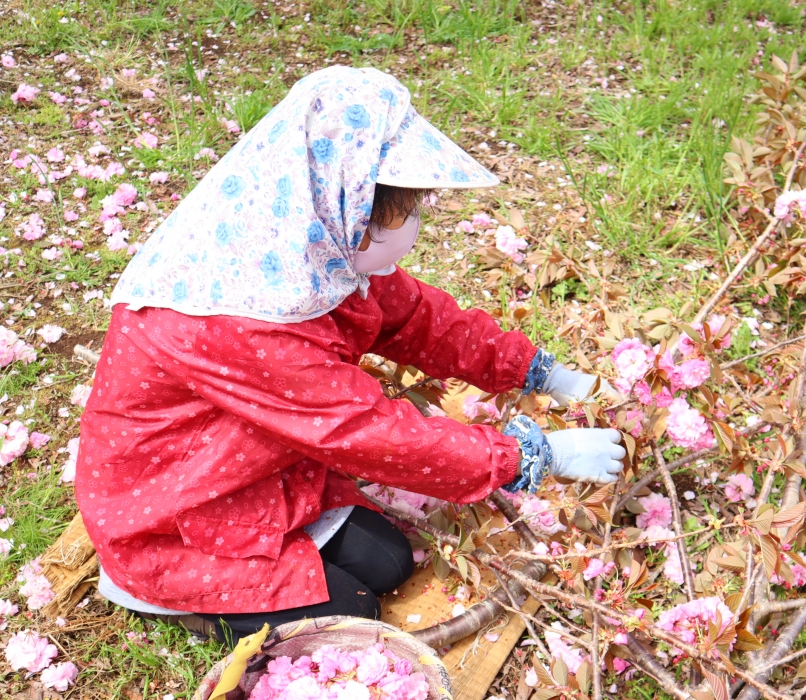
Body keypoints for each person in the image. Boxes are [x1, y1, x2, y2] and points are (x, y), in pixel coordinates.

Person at [76, 66, 625, 644]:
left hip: (246, 463)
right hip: (172, 499)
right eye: (394, 219)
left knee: (390, 562)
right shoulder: (239, 319)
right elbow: (359, 428)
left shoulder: (305, 236)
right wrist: (529, 457)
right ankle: (148, 589)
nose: (409, 228)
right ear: (349, 208)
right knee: (356, 609)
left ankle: (259, 557)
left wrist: (539, 371)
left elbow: (416, 318)